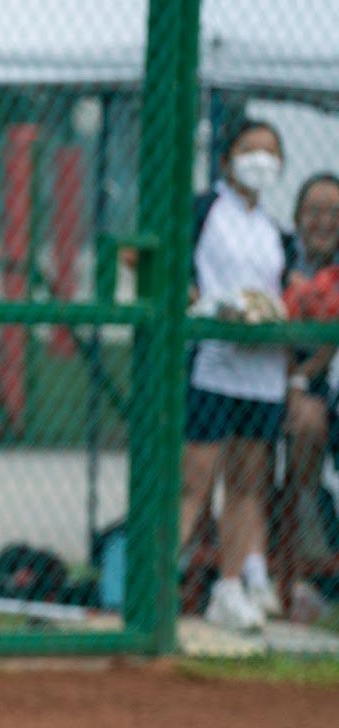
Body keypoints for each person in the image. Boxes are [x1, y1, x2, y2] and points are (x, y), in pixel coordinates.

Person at [181, 120, 290, 631]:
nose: (260, 161)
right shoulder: (204, 211)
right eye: (250, 149)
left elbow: (284, 293)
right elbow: (168, 270)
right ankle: (156, 584)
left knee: (247, 484)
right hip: (214, 363)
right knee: (194, 481)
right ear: (228, 158)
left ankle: (228, 586)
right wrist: (208, 304)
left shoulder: (274, 232)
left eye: (271, 153)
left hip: (261, 372)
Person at [282, 172, 339, 592]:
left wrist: (301, 382)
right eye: (314, 211)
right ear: (298, 215)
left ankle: (305, 538)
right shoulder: (278, 255)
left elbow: (329, 343)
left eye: (334, 213)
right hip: (266, 372)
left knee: (309, 423)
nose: (324, 221)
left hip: (318, 380)